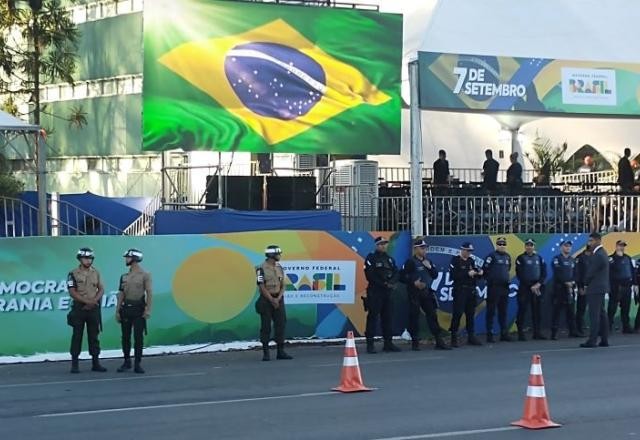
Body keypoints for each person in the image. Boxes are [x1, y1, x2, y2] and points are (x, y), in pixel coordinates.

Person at [402, 238, 450, 351]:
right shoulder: (410, 262)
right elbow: (402, 276)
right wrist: (413, 282)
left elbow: (435, 275)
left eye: (425, 248)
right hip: (414, 293)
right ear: (416, 249)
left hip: (426, 292)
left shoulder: (428, 261)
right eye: (422, 248)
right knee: (414, 316)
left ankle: (438, 340)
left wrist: (429, 267)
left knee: (432, 315)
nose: (424, 250)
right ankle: (415, 342)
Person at [66, 247, 107, 374]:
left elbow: (101, 289)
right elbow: (72, 292)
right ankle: (75, 364)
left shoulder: (96, 272)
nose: (88, 261)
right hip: (79, 308)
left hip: (93, 308)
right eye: (85, 258)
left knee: (94, 336)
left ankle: (96, 362)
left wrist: (93, 301)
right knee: (77, 336)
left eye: (90, 258)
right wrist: (86, 301)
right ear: (80, 259)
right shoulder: (72, 273)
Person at [116, 248, 152, 374]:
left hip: (139, 309)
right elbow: (121, 293)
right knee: (125, 337)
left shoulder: (145, 275)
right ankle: (127, 361)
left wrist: (148, 309)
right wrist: (117, 310)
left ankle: (138, 363)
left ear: (134, 259)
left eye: (128, 257)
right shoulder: (124, 276)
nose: (126, 259)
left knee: (138, 337)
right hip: (126, 309)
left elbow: (149, 292)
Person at [364, 237, 400, 353]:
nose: (383, 246)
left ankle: (388, 343)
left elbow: (396, 272)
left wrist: (391, 283)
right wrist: (384, 284)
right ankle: (370, 344)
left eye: (384, 244)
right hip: (375, 292)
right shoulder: (371, 258)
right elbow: (370, 275)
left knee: (388, 317)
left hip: (388, 293)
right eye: (380, 244)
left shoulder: (390, 259)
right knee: (373, 317)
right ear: (376, 245)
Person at [256, 245, 292, 361]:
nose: (280, 256)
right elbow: (261, 286)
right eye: (278, 254)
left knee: (281, 324)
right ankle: (266, 353)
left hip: (278, 299)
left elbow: (283, 285)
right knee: (266, 326)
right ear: (272, 255)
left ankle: (280, 351)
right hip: (266, 300)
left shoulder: (279, 267)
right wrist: (272, 300)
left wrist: (278, 298)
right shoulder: (260, 268)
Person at [449, 242, 483, 347]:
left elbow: (475, 275)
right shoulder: (455, 260)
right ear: (462, 250)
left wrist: (479, 273)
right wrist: (467, 274)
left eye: (470, 251)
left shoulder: (471, 261)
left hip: (471, 290)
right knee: (457, 314)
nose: (469, 253)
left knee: (470, 314)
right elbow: (454, 276)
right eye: (467, 251)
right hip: (460, 290)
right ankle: (453, 337)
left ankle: (471, 336)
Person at [580, 232, 610, 348]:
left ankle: (592, 340)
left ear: (598, 241)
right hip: (600, 287)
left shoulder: (598, 255)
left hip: (595, 288)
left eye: (591, 241)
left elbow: (590, 272)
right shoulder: (602, 253)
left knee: (594, 315)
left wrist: (585, 284)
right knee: (601, 314)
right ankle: (604, 339)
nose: (589, 243)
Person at [515, 239, 547, 341]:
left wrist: (538, 284)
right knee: (522, 310)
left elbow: (544, 273)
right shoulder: (520, 258)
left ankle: (537, 333)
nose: (529, 247)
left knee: (537, 311)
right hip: (525, 288)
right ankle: (520, 333)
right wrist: (530, 286)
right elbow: (520, 274)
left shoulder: (539, 258)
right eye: (527, 245)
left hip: (537, 287)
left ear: (534, 247)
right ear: (525, 246)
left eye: (531, 245)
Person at [482, 237, 512, 343]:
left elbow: (508, 269)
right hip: (494, 287)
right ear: (496, 245)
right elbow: (484, 269)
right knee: (491, 311)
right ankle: (489, 334)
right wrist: (491, 280)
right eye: (500, 244)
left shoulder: (508, 257)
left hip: (504, 287)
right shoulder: (491, 256)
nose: (502, 246)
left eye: (504, 244)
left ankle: (504, 333)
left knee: (503, 311)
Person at [550, 241, 579, 340]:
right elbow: (558, 272)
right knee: (556, 312)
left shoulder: (572, 260)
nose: (567, 248)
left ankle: (573, 331)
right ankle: (554, 333)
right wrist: (566, 282)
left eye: (569, 246)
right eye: (565, 246)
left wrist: (572, 282)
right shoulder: (556, 259)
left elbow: (576, 273)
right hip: (559, 289)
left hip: (570, 289)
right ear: (561, 247)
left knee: (571, 311)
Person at [608, 240, 636, 333]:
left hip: (627, 286)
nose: (622, 247)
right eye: (620, 246)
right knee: (612, 308)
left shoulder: (628, 258)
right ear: (616, 246)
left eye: (623, 246)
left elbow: (632, 271)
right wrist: (618, 258)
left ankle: (626, 326)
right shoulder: (611, 259)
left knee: (626, 308)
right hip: (616, 286)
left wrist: (634, 283)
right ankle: (608, 326)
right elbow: (610, 272)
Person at [574, 245, 592, 337]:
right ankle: (579, 329)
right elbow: (577, 274)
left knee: (597, 309)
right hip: (584, 287)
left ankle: (597, 329)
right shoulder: (580, 258)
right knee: (581, 309)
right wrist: (580, 287)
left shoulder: (596, 257)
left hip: (594, 287)